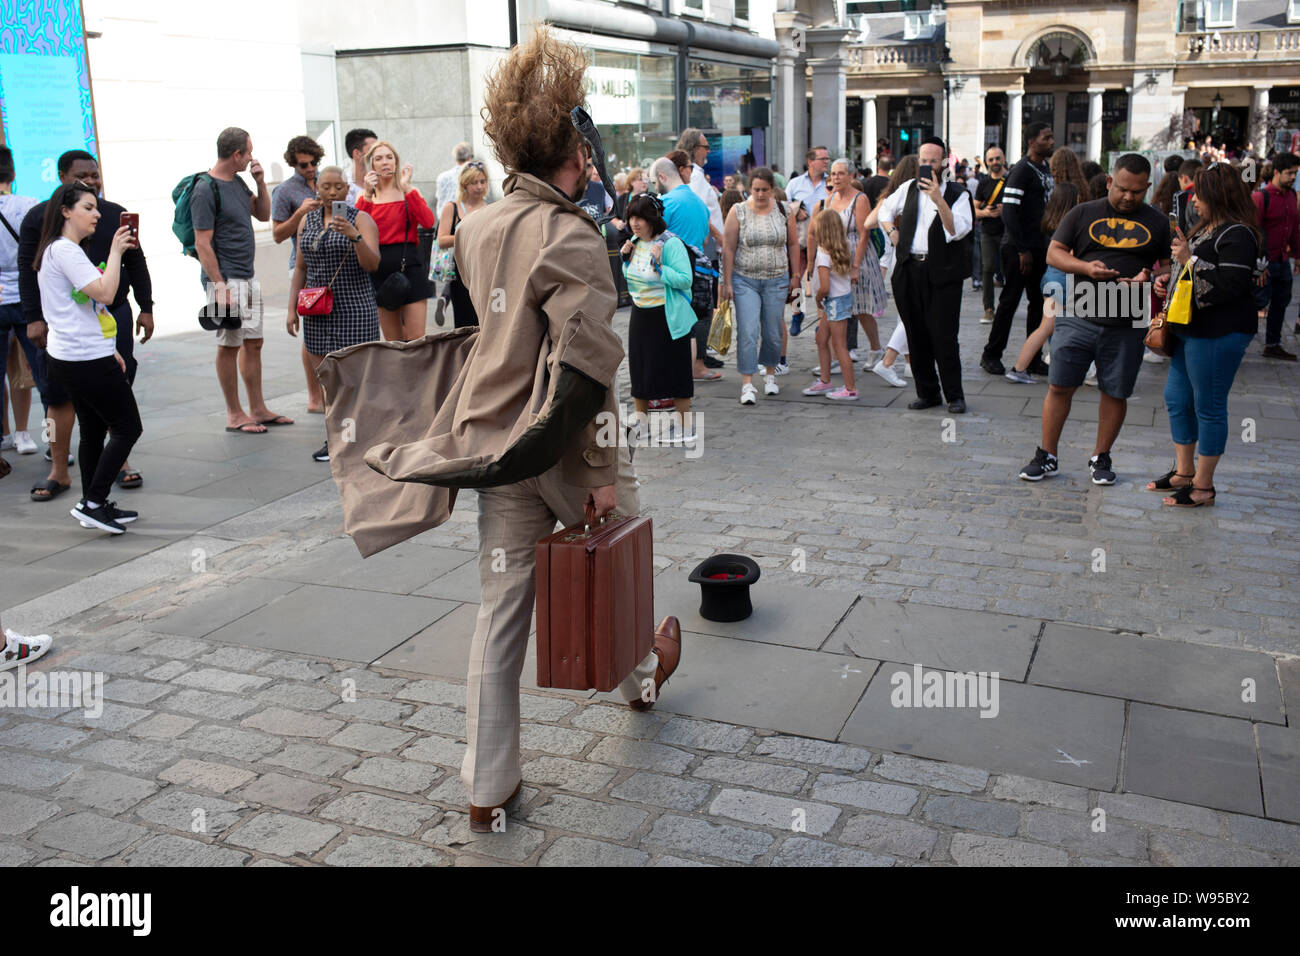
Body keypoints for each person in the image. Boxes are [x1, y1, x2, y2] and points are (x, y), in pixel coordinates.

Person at [440, 26, 678, 828]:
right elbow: (588, 376)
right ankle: (642, 676)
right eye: (586, 148)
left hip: (499, 447)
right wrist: (603, 470)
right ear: (573, 154)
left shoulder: (476, 226)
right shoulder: (572, 236)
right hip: (570, 449)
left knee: (500, 612)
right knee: (615, 563)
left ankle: (487, 786)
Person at [1019, 153, 1169, 484]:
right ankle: (1047, 454)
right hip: (1080, 310)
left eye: (1137, 191)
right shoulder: (1083, 212)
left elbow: (1167, 266)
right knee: (1060, 385)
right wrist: (1087, 268)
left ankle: (1101, 457)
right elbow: (1053, 252)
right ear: (1111, 182)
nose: (1129, 197)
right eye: (1123, 189)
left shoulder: (1158, 221)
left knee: (1115, 391)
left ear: (1147, 187)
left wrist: (1154, 276)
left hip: (1128, 316)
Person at [19, 149, 154, 493]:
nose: (93, 182)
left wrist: (145, 306)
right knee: (55, 399)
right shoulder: (47, 229)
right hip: (68, 334)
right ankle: (59, 466)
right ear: (64, 181)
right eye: (84, 177)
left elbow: (135, 264)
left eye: (95, 175)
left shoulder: (114, 215)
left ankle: (113, 466)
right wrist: (33, 317)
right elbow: (29, 269)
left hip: (106, 322)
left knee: (110, 399)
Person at [1147, 163, 1264, 507]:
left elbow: (1232, 285)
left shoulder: (1238, 233)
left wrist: (1190, 260)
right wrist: (1169, 278)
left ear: (1218, 195)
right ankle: (1184, 472)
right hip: (1189, 327)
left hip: (1219, 331)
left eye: (1200, 193)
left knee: (1208, 406)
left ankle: (1203, 485)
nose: (1193, 200)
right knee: (1176, 398)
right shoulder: (1204, 228)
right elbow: (1189, 273)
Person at [34, 182, 142, 533]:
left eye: (96, 208)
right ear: (66, 211)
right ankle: (93, 502)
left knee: (94, 431)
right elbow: (106, 293)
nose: (97, 214)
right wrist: (115, 252)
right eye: (88, 208)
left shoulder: (63, 250)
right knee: (127, 427)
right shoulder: (64, 251)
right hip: (83, 360)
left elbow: (83, 309)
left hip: (79, 354)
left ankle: (93, 504)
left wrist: (109, 347)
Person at [192, 128, 291, 435]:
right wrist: (219, 287)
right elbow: (202, 243)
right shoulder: (205, 189)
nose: (251, 157)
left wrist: (260, 182)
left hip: (246, 275)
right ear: (236, 154)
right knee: (229, 345)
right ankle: (235, 413)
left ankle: (258, 408)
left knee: (254, 343)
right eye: (248, 153)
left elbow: (262, 214)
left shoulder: (236, 181)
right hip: (225, 279)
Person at [287, 166, 380, 463]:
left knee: (354, 377)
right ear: (317, 188)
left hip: (354, 307)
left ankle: (360, 436)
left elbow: (372, 264)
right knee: (327, 379)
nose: (331, 192)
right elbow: (301, 267)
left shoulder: (360, 219)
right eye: (325, 186)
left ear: (347, 189)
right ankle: (335, 438)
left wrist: (354, 237)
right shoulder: (308, 220)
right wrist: (291, 308)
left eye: (338, 187)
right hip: (316, 309)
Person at [877, 136, 974, 414]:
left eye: (933, 161)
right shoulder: (907, 188)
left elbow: (956, 230)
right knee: (915, 334)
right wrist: (891, 231)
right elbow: (884, 209)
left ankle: (954, 396)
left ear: (944, 163)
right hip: (909, 269)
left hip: (942, 274)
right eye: (923, 160)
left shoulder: (958, 194)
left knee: (944, 336)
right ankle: (927, 392)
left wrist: (938, 198)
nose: (928, 165)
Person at [981, 122, 1055, 377]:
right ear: (1032, 142)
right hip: (1018, 249)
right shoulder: (1022, 170)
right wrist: (1022, 249)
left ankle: (1032, 358)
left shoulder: (1044, 168)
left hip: (1039, 246)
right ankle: (991, 354)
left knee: (1038, 303)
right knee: (1010, 302)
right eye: (1046, 137)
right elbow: (1009, 212)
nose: (1051, 141)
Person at [619, 193, 695, 438]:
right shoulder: (634, 241)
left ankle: (685, 428)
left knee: (676, 370)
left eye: (640, 217)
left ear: (653, 218)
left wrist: (661, 267)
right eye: (631, 217)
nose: (635, 223)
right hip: (641, 314)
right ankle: (642, 422)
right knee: (640, 369)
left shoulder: (670, 244)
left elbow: (685, 280)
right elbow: (633, 274)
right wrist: (624, 259)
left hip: (667, 315)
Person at [721, 167, 797, 404]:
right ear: (749, 189)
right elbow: (729, 248)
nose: (761, 194)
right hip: (745, 279)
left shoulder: (784, 210)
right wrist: (727, 281)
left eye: (765, 190)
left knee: (773, 331)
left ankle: (771, 375)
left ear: (772, 189)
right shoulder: (738, 211)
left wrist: (796, 276)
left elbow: (793, 244)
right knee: (748, 330)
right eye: (756, 189)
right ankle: (747, 384)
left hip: (777, 277)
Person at [806, 158, 888, 366]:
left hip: (856, 256)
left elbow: (863, 235)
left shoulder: (860, 199)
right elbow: (813, 233)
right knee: (834, 308)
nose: (836, 177)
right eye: (833, 174)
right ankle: (835, 356)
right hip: (833, 256)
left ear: (851, 176)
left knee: (861, 309)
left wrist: (855, 267)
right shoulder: (828, 200)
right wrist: (811, 262)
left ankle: (876, 349)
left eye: (841, 173)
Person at [355, 140, 437, 342]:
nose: (385, 162)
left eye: (389, 157)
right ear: (372, 165)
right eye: (379, 158)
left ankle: (421, 373)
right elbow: (357, 228)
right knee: (393, 340)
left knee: (416, 336)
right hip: (379, 268)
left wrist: (407, 187)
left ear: (396, 162)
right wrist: (366, 194)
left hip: (409, 264)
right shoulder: (366, 197)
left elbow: (428, 222)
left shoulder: (408, 192)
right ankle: (400, 374)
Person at [1004, 182, 1084, 383]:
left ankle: (1027, 368)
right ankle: (1019, 368)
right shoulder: (1070, 224)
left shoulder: (1050, 220)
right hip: (1062, 280)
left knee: (1051, 327)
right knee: (1048, 327)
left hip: (1051, 277)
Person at [271, 135, 326, 414]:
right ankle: (314, 397)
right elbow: (278, 234)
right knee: (312, 332)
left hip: (331, 263)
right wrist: (300, 214)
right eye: (304, 164)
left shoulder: (326, 182)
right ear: (293, 163)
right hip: (302, 265)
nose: (310, 168)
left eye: (314, 163)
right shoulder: (284, 191)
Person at [652, 155, 716, 382]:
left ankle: (677, 374)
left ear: (662, 176)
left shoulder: (666, 204)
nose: (654, 187)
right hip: (698, 270)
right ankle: (697, 367)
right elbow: (705, 240)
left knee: (676, 326)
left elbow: (652, 238)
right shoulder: (699, 203)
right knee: (697, 320)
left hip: (672, 272)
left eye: (653, 181)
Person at [0, 146, 40, 456]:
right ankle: (38, 437)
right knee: (41, 377)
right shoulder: (31, 206)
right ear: (12, 173)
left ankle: (3, 437)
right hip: (28, 300)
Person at [801, 210, 859, 400]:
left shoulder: (823, 252)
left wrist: (818, 298)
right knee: (821, 338)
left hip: (833, 301)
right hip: (841, 299)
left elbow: (824, 286)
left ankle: (850, 388)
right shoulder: (845, 245)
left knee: (840, 345)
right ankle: (825, 381)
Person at [1251, 152, 1299, 360]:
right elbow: (1253, 231)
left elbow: (1295, 228)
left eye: (1295, 173)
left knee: (1281, 302)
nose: (1293, 178)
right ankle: (1240, 339)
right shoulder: (1261, 197)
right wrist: (1258, 265)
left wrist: (1297, 256)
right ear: (1277, 172)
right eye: (1289, 173)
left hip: (1282, 260)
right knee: (1256, 302)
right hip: (1265, 262)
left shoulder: (1292, 196)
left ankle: (1273, 343)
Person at [436, 160, 488, 328]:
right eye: (474, 182)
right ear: (464, 185)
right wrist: (468, 234)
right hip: (459, 271)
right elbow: (442, 240)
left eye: (482, 181)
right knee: (464, 321)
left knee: (483, 320)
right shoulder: (452, 208)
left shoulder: (488, 209)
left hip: (483, 270)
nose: (479, 186)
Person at [787, 146, 831, 336]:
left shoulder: (830, 183)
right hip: (800, 239)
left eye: (827, 159)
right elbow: (784, 205)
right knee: (795, 280)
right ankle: (797, 313)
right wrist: (797, 211)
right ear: (811, 162)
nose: (826, 162)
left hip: (824, 240)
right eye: (823, 159)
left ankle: (822, 320)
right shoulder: (795, 184)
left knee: (822, 282)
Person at [974, 146, 1008, 324]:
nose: (995, 162)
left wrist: (1005, 210)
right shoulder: (983, 183)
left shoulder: (1011, 180)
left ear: (1003, 159)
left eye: (997, 158)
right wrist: (987, 213)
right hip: (988, 232)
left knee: (1009, 269)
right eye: (991, 159)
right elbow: (974, 210)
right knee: (987, 268)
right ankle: (988, 309)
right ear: (986, 162)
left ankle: (1006, 306)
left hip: (1008, 232)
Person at [676, 128, 724, 253]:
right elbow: (698, 211)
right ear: (695, 148)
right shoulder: (695, 175)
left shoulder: (695, 174)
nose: (709, 151)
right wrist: (719, 236)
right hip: (707, 244)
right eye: (706, 147)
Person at [344, 128, 378, 206]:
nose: (378, 153)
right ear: (357, 153)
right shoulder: (344, 188)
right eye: (373, 150)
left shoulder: (384, 181)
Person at [436, 142, 474, 211]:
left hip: (443, 218)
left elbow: (440, 201)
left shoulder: (442, 176)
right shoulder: (472, 175)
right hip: (464, 218)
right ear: (469, 157)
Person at [1172, 159, 1203, 235]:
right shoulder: (1209, 192)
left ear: (1184, 178)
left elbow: (1177, 227)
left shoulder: (1181, 196)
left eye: (1179, 181)